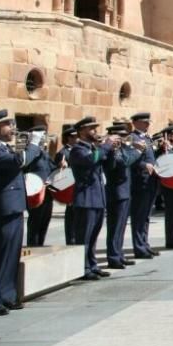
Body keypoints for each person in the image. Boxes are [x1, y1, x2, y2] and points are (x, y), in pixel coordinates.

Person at [0, 110, 27, 315]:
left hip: (14, 206)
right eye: (7, 124)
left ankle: (7, 295)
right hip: (2, 208)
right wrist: (31, 145)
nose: (12, 128)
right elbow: (15, 163)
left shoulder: (4, 148)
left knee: (12, 254)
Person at [68, 116, 111, 280]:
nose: (95, 131)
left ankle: (92, 264)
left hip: (97, 197)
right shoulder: (78, 149)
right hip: (85, 199)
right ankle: (83, 267)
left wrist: (111, 149)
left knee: (93, 235)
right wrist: (105, 147)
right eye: (91, 128)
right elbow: (90, 160)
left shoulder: (94, 148)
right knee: (84, 236)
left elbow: (105, 162)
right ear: (82, 131)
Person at [104, 124, 138, 269]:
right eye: (121, 137)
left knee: (121, 226)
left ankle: (119, 254)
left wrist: (128, 147)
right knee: (115, 226)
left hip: (125, 191)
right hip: (116, 193)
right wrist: (137, 151)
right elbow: (125, 161)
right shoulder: (113, 151)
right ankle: (113, 256)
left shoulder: (123, 149)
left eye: (125, 136)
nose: (124, 139)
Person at [128, 112, 159, 259]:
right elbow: (129, 159)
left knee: (146, 215)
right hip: (140, 181)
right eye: (144, 122)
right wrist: (143, 165)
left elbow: (151, 157)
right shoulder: (131, 138)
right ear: (135, 123)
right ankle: (139, 247)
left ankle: (145, 244)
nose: (147, 124)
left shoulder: (147, 138)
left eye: (148, 122)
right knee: (139, 215)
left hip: (150, 180)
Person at [23, 126, 54, 246]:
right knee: (35, 224)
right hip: (36, 194)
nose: (43, 139)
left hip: (47, 195)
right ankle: (33, 248)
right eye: (41, 136)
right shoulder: (30, 153)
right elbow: (25, 172)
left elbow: (52, 169)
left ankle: (40, 247)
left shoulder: (44, 153)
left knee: (44, 223)